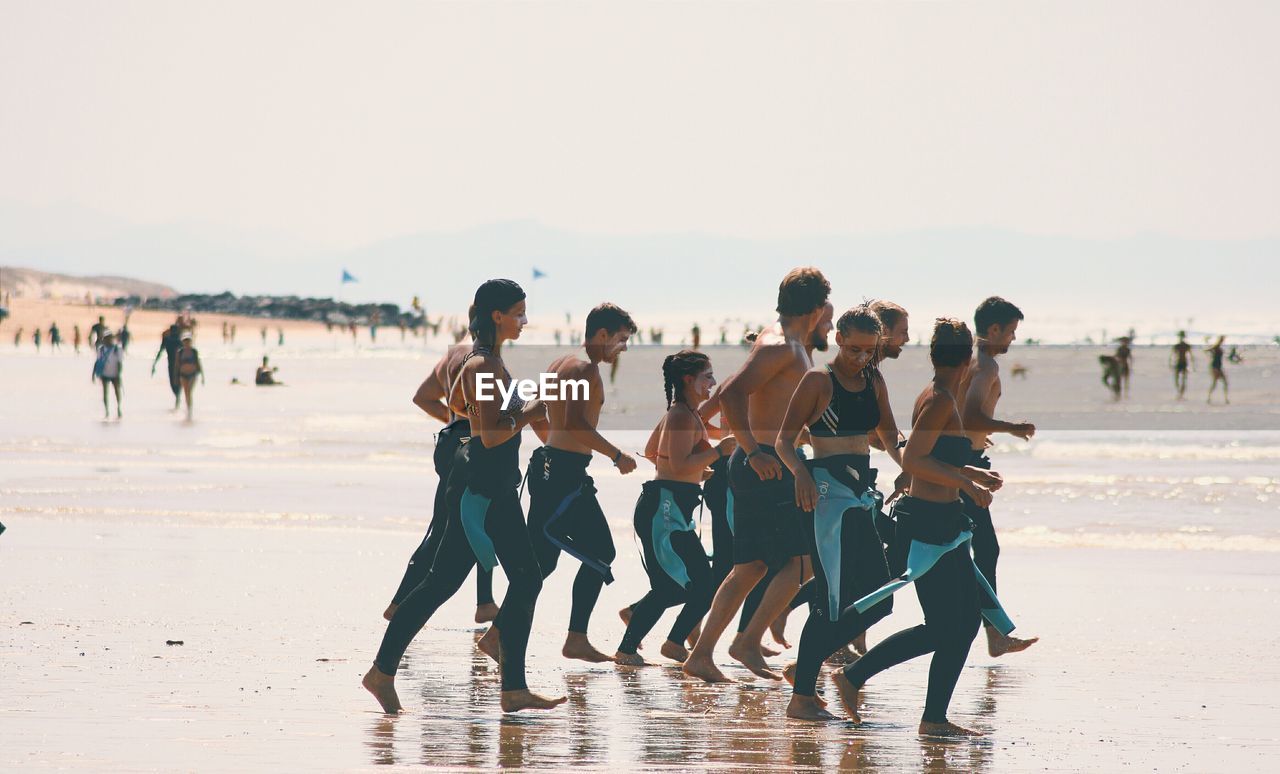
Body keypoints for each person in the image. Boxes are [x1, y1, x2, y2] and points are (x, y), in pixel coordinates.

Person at [364, 279, 565, 715]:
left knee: (443, 581)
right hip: (484, 487)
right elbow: (489, 436)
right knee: (522, 578)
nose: (524, 321)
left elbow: (479, 419)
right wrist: (532, 410)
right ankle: (511, 687)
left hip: (485, 483)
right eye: (519, 313)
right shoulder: (483, 366)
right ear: (497, 316)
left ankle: (383, 673)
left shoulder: (487, 361)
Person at [832, 318, 1012, 737]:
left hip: (943, 522)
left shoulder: (939, 395)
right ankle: (887, 694)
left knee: (959, 622)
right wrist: (966, 481)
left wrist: (971, 474)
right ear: (967, 360)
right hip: (928, 524)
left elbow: (931, 458)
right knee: (954, 623)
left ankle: (907, 703)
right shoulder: (940, 401)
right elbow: (913, 460)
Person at [682, 267, 834, 684]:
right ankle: (744, 642)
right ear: (818, 306)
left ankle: (708, 653)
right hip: (763, 464)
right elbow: (732, 392)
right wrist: (751, 450)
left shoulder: (792, 345)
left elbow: (748, 391)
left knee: (751, 568)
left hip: (770, 459)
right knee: (801, 562)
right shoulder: (779, 345)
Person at [774, 305, 906, 720]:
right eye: (853, 350)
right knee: (830, 600)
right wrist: (800, 474)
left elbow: (888, 435)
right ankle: (801, 698)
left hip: (860, 493)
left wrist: (913, 471)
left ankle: (806, 668)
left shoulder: (873, 379)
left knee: (877, 598)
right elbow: (783, 441)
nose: (861, 358)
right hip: (826, 495)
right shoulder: (818, 381)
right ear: (838, 341)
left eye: (869, 351)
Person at [501, 303, 638, 665]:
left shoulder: (560, 362)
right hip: (564, 476)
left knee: (540, 564)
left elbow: (538, 412)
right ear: (602, 334)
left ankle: (498, 633)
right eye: (621, 340)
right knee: (602, 554)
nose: (623, 348)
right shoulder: (585, 370)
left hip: (553, 468)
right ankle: (575, 638)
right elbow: (578, 425)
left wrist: (552, 447)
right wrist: (616, 455)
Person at [615, 351, 735, 665]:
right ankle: (659, 644)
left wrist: (695, 472)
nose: (712, 383)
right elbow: (675, 461)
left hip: (669, 505)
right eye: (707, 376)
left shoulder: (683, 413)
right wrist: (716, 453)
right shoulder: (682, 416)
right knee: (697, 585)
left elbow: (654, 451)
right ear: (688, 380)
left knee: (681, 586)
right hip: (664, 510)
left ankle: (638, 630)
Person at [384, 343, 505, 626]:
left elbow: (422, 398)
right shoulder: (485, 359)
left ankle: (481, 601)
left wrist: (453, 421)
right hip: (468, 447)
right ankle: (481, 602)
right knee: (472, 522)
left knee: (448, 526)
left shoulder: (453, 356)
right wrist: (471, 423)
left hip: (450, 443)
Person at [960, 297, 1038, 657]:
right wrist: (1012, 427)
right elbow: (973, 415)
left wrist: (980, 436)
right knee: (985, 549)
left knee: (973, 550)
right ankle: (994, 635)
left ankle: (994, 634)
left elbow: (959, 413)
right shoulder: (987, 364)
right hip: (964, 462)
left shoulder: (966, 358)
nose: (1011, 340)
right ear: (993, 330)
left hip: (962, 455)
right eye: (1010, 332)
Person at [92, 331, 124, 419]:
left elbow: (120, 363)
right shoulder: (101, 350)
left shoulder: (117, 349)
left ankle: (118, 408)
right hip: (104, 374)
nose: (108, 340)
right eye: (106, 338)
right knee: (105, 393)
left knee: (117, 392)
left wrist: (119, 374)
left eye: (110, 338)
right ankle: (106, 411)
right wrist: (93, 374)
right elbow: (97, 362)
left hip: (115, 374)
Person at [151, 322, 184, 409]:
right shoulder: (178, 341)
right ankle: (178, 399)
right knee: (177, 384)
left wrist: (154, 364)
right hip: (179, 366)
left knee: (173, 384)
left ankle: (177, 399)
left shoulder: (167, 340)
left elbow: (160, 352)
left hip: (172, 365)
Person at [175, 332, 204, 419]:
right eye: (185, 341)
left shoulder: (194, 351)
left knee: (189, 392)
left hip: (193, 374)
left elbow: (198, 363)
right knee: (186, 392)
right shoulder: (180, 352)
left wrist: (202, 376)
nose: (187, 342)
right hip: (183, 375)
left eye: (188, 341)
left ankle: (189, 410)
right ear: (183, 342)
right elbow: (177, 365)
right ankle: (188, 409)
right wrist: (175, 377)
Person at [1170, 330, 1193, 399]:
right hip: (1180, 362)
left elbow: (1191, 355)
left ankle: (1180, 394)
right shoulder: (1178, 345)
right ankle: (1180, 393)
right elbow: (1172, 355)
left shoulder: (1185, 345)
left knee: (1182, 379)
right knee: (1179, 379)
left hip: (1182, 362)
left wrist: (1192, 364)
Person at [1207, 335, 1229, 404]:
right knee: (1215, 383)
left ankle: (1226, 398)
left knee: (1225, 383)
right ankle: (1209, 397)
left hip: (1219, 367)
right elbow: (1209, 350)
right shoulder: (1216, 347)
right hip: (1215, 367)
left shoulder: (1218, 347)